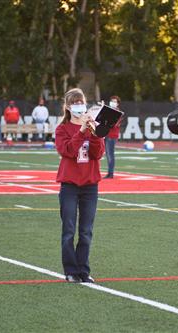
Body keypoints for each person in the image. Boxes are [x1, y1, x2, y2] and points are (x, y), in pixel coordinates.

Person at [55, 88, 105, 283]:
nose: (79, 106)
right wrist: (81, 131)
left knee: (86, 231)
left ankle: (83, 270)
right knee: (68, 230)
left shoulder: (93, 126)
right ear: (68, 107)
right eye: (75, 103)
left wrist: (94, 133)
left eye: (81, 102)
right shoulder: (62, 128)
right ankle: (70, 270)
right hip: (69, 184)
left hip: (90, 184)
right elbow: (67, 150)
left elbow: (97, 153)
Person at [103, 96, 123, 179]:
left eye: (115, 101)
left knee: (110, 154)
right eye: (112, 101)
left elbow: (114, 125)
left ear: (118, 103)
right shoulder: (109, 111)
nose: (113, 103)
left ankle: (110, 173)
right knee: (108, 154)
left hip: (112, 135)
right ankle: (109, 173)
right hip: (106, 135)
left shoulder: (119, 113)